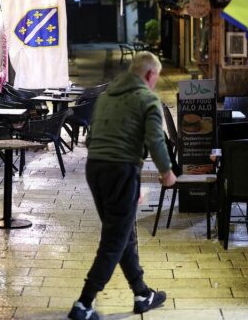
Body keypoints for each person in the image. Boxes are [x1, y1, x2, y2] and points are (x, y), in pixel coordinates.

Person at [68, 51, 177, 319]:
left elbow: (90, 137)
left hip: (95, 168)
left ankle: (142, 293)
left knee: (122, 232)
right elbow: (155, 139)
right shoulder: (147, 98)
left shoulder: (106, 96)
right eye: (156, 77)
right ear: (150, 74)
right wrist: (167, 171)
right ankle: (84, 303)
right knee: (114, 240)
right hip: (122, 169)